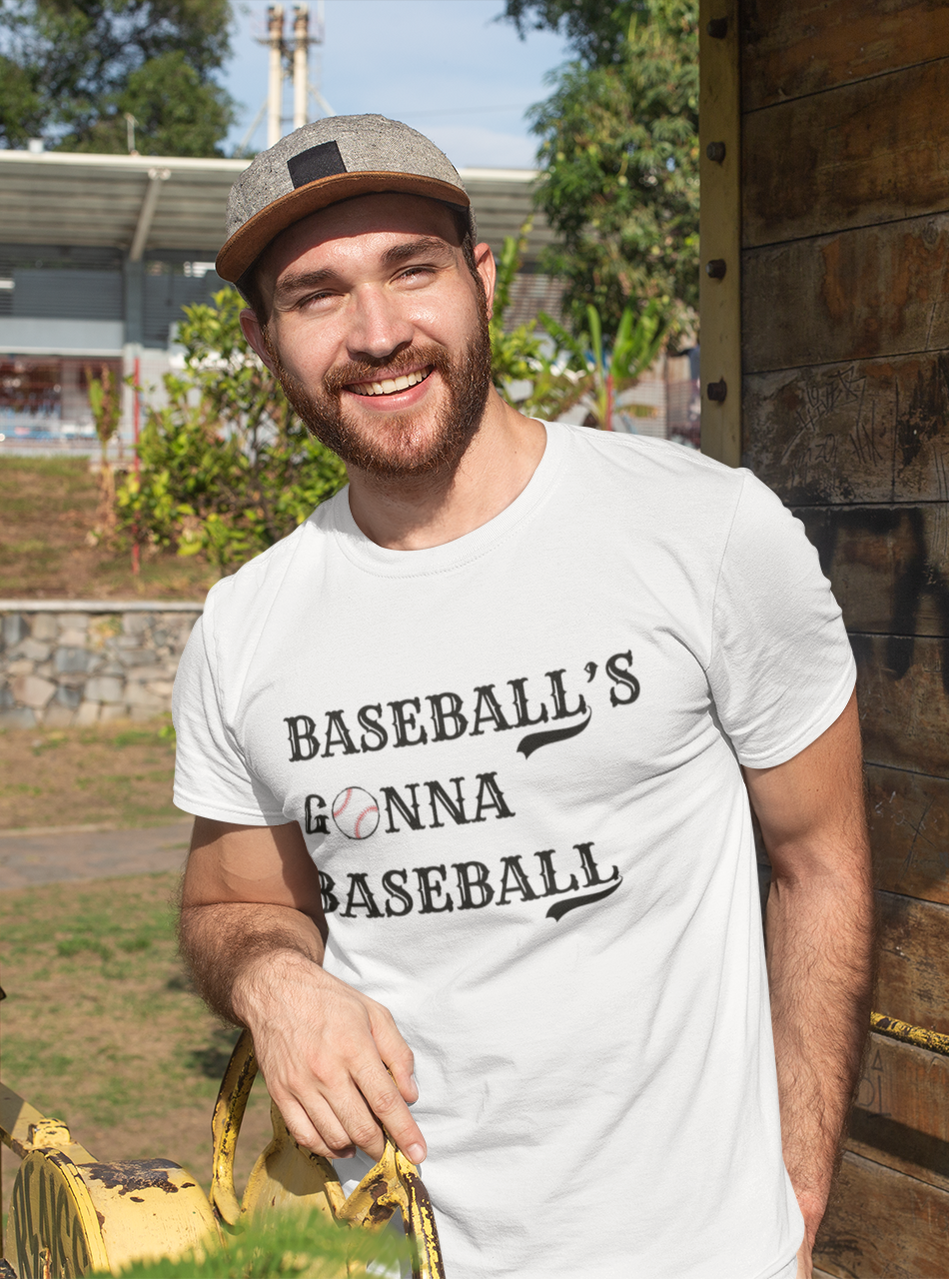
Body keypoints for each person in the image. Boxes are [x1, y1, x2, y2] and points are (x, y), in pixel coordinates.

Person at [174, 114, 874, 1279]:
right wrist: (271, 978)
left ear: (481, 276)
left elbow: (822, 861)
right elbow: (226, 904)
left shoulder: (702, 531)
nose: (379, 332)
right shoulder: (249, 625)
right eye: (316, 295)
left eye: (413, 269)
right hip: (384, 1253)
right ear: (263, 340)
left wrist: (792, 1204)